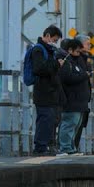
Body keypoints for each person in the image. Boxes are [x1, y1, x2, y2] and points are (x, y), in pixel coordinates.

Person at [27, 25, 64, 155]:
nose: (55, 42)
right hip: (43, 91)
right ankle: (40, 147)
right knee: (45, 119)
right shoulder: (38, 49)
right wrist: (56, 64)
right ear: (47, 35)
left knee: (49, 119)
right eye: (54, 39)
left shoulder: (49, 50)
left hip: (50, 91)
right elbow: (39, 69)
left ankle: (45, 146)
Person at [58, 38, 92, 156]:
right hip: (71, 99)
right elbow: (68, 78)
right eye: (78, 51)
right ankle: (65, 147)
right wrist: (84, 75)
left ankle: (71, 147)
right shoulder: (67, 61)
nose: (80, 54)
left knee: (76, 124)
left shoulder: (77, 61)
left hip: (79, 100)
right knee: (69, 123)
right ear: (70, 50)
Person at [72, 35, 94, 151]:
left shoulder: (85, 60)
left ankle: (74, 147)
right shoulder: (78, 60)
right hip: (77, 98)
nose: (90, 46)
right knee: (74, 124)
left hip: (84, 97)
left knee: (80, 123)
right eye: (87, 43)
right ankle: (71, 147)